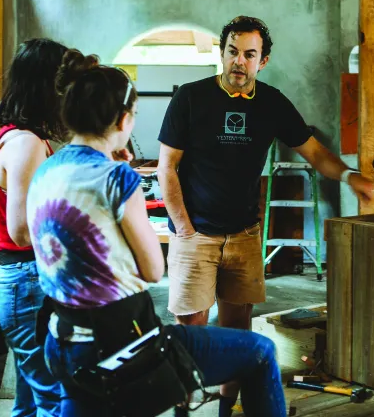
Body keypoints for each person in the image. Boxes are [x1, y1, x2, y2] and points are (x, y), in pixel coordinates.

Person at [26, 49, 286, 417]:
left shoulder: (46, 169)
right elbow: (151, 269)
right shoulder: (117, 178)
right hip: (119, 342)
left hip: (60, 338)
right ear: (123, 120)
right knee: (260, 351)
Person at [157, 16, 374, 416]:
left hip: (244, 234)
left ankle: (225, 408)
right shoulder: (190, 98)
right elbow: (166, 167)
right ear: (221, 52)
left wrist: (349, 176)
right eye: (232, 51)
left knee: (238, 334)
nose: (239, 61)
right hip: (196, 235)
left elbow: (315, 153)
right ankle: (183, 408)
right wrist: (184, 228)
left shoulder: (273, 103)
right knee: (189, 331)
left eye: (249, 54)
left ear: (264, 60)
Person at [0, 38, 68, 417]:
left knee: (31, 400)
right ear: (47, 88)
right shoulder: (25, 144)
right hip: (26, 279)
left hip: (25, 280)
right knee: (53, 397)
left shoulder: (23, 137)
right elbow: (21, 232)